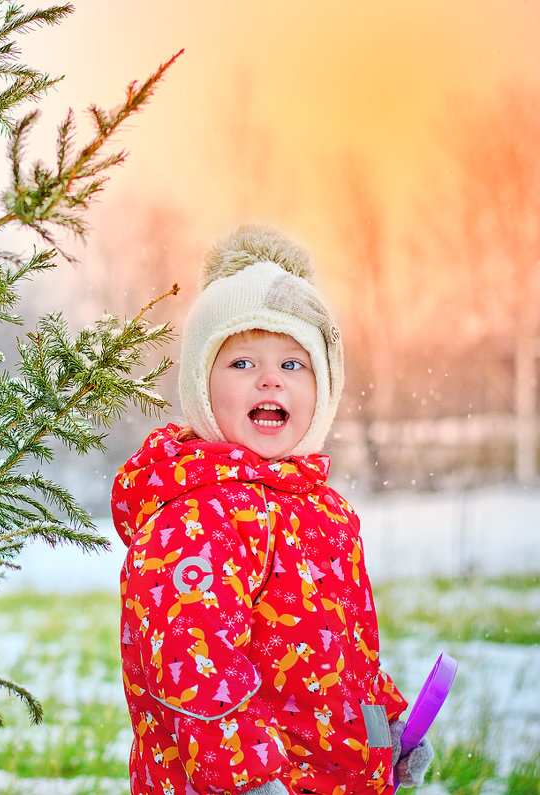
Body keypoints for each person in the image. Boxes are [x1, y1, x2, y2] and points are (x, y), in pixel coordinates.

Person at [111, 225, 434, 795]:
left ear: (324, 388)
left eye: (293, 364)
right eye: (241, 364)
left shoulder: (325, 512)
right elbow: (193, 663)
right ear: (200, 385)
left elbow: (345, 652)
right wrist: (247, 781)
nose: (269, 379)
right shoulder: (197, 516)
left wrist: (388, 726)